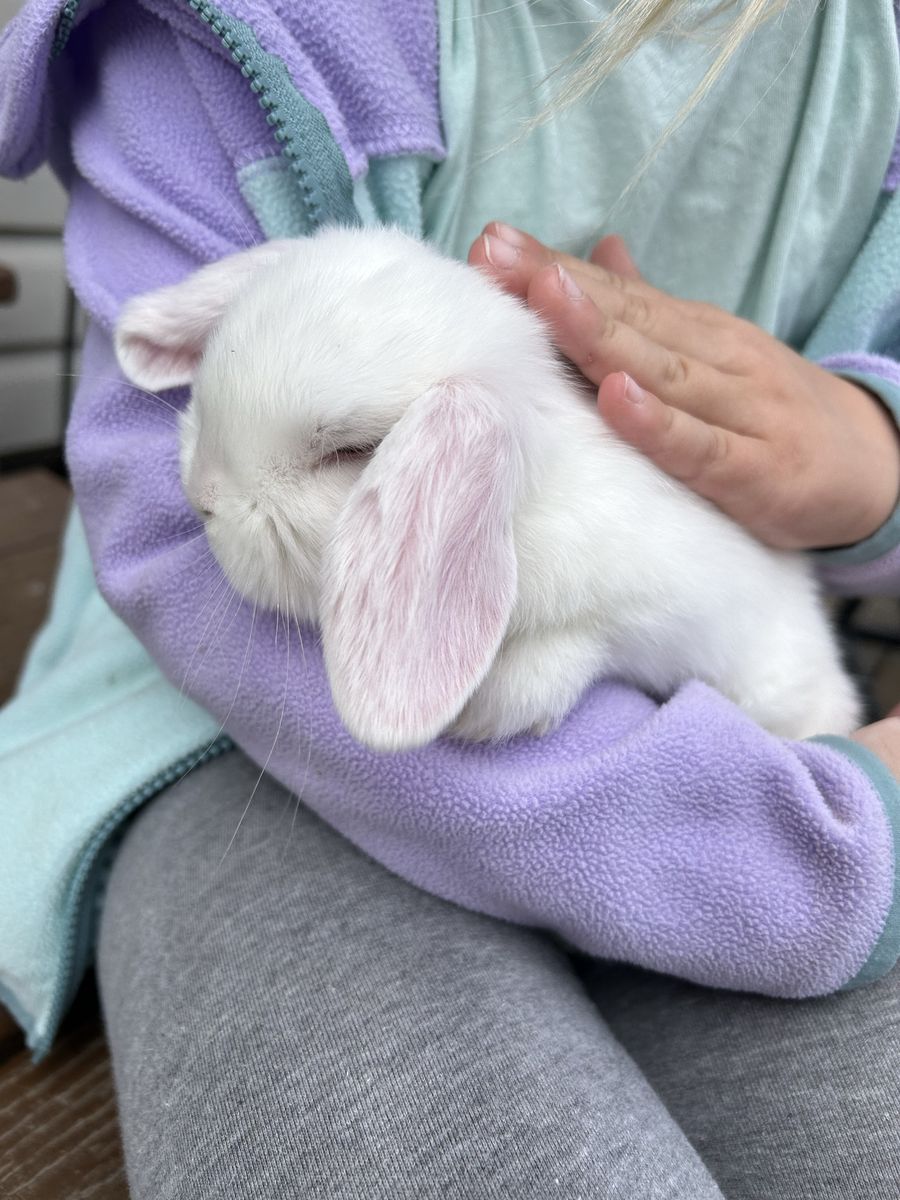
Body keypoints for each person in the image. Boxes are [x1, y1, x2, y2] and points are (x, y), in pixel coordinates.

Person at [2, 0, 900, 1196]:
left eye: (341, 459)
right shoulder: (257, 37)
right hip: (242, 730)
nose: (224, 495)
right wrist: (792, 848)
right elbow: (177, 517)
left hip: (723, 736)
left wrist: (871, 456)